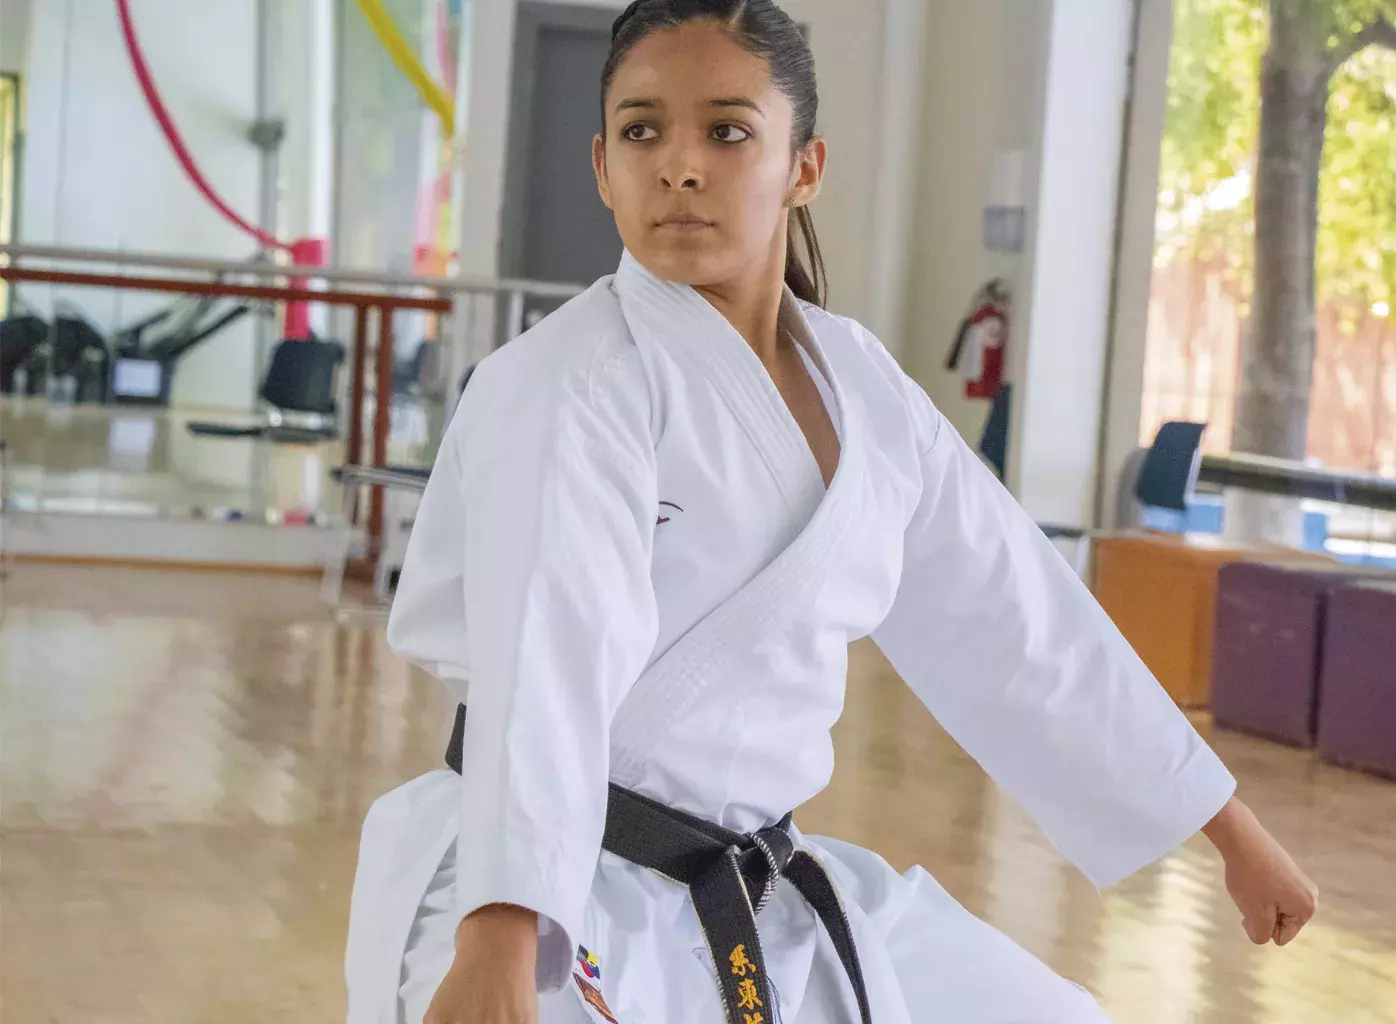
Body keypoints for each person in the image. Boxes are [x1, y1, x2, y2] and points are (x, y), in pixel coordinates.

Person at [342, 2, 1317, 1022]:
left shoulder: (860, 383)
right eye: (641, 130)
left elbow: (1015, 612)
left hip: (758, 883)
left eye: (727, 131)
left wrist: (1226, 825)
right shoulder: (565, 382)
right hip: (544, 886)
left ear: (804, 167)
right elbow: (542, 661)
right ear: (601, 165)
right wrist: (502, 939)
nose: (678, 165)